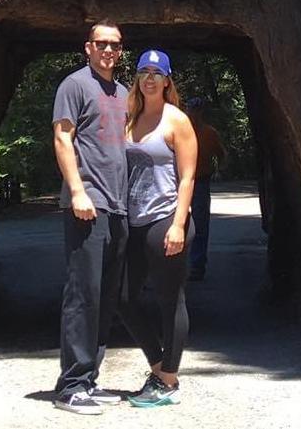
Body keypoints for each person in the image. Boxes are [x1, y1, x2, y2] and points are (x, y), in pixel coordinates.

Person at [52, 20, 130, 416]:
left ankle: (88, 378)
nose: (108, 50)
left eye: (115, 45)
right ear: (87, 47)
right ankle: (70, 386)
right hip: (88, 204)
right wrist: (78, 191)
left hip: (118, 206)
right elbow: (62, 137)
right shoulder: (75, 85)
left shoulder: (123, 92)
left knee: (105, 297)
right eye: (101, 43)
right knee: (83, 295)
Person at [121, 48, 198, 408]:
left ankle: (168, 381)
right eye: (143, 72)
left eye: (156, 72)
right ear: (137, 80)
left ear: (167, 81)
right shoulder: (130, 117)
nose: (149, 78)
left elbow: (187, 177)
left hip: (165, 218)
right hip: (134, 221)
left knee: (170, 300)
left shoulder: (176, 120)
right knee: (121, 296)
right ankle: (158, 365)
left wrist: (179, 224)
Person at [183, 99, 224, 281]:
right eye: (192, 110)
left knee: (200, 224)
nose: (194, 114)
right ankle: (176, 265)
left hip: (200, 181)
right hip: (181, 182)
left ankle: (198, 265)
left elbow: (221, 154)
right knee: (177, 222)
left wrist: (220, 170)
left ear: (202, 112)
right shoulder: (180, 130)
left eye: (197, 110)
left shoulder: (209, 133)